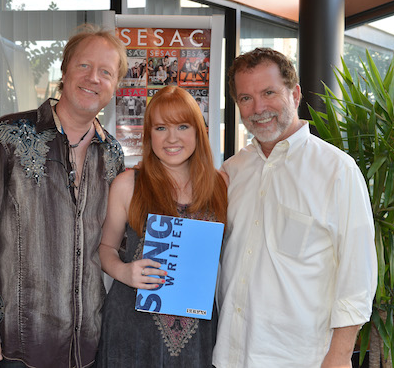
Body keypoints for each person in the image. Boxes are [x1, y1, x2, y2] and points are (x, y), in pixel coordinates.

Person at [0, 24, 128, 368]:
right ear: (64, 71)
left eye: (105, 72)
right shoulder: (7, 135)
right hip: (17, 345)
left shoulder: (113, 153)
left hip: (89, 346)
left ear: (114, 87)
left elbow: (117, 241)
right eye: (84, 66)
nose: (93, 78)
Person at [213, 48, 377, 367]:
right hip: (230, 353)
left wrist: (340, 357)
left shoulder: (337, 171)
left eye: (269, 92)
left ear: (295, 93)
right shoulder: (232, 171)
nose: (258, 108)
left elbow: (357, 277)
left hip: (300, 358)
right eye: (246, 98)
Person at [96, 85, 227, 367]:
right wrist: (124, 271)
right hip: (131, 330)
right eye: (160, 128)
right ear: (148, 134)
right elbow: (105, 247)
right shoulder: (128, 184)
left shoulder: (220, 186)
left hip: (197, 331)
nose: (171, 138)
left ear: (198, 131)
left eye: (182, 126)